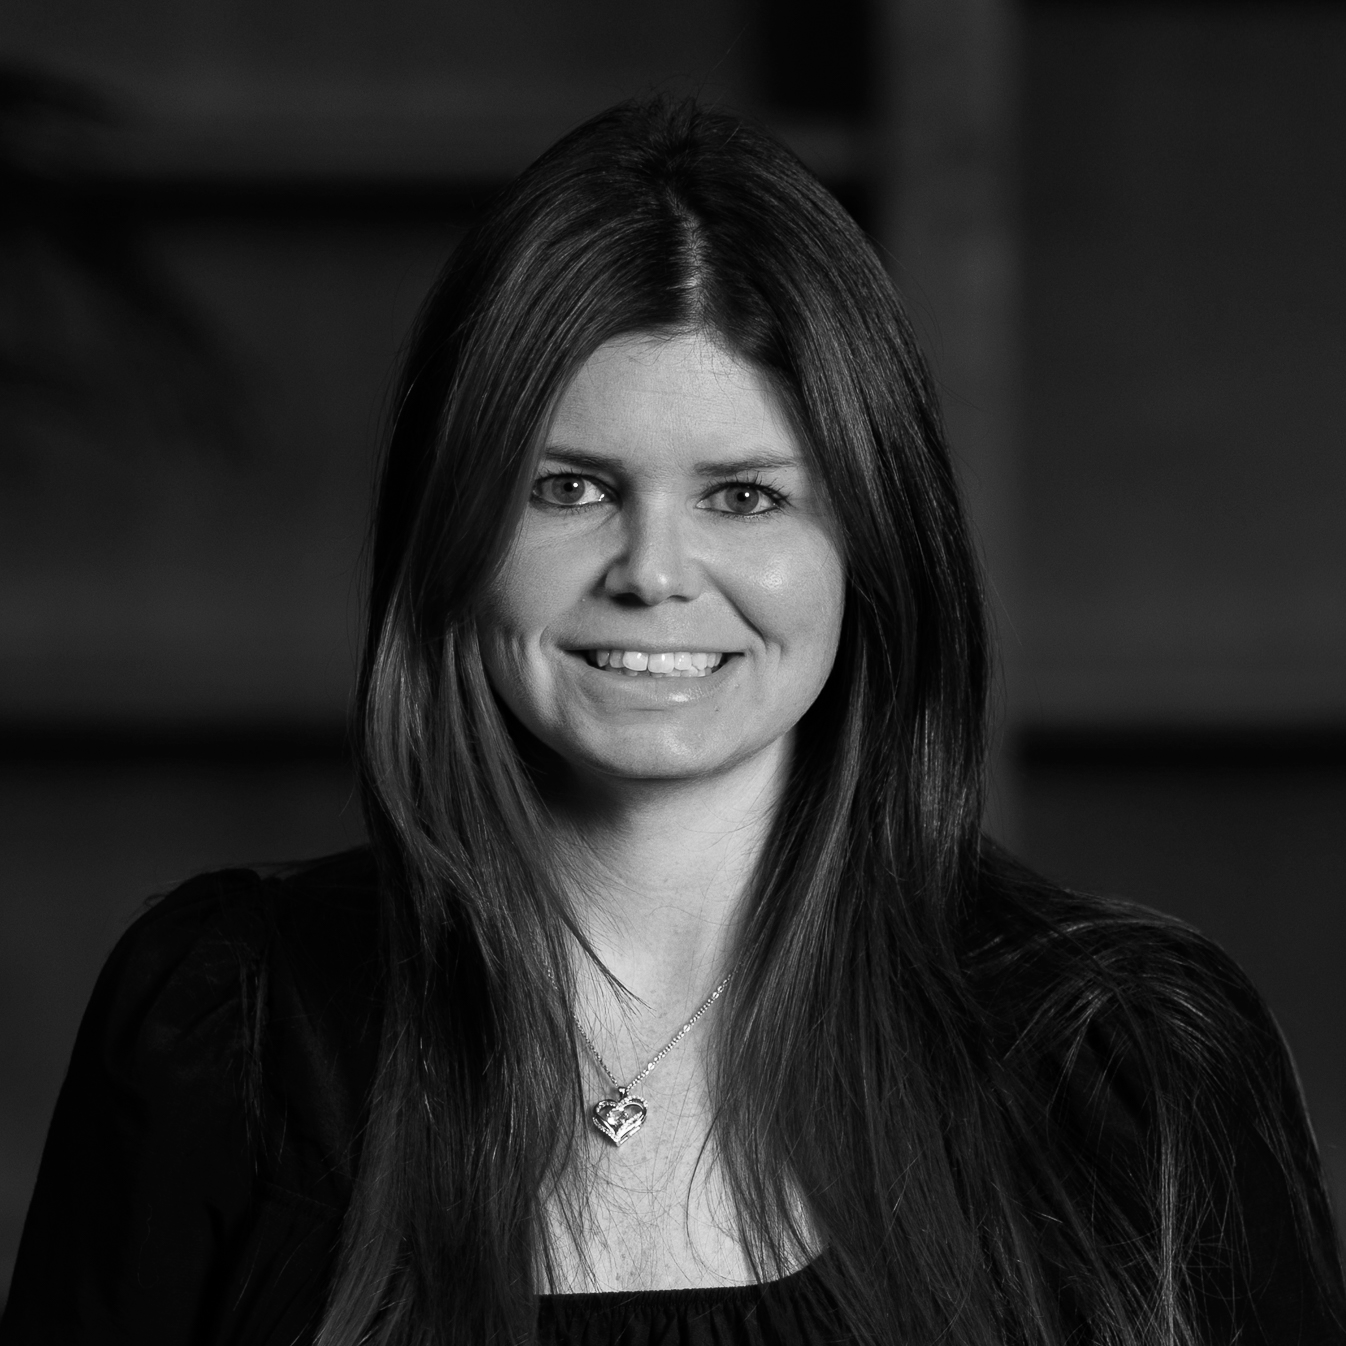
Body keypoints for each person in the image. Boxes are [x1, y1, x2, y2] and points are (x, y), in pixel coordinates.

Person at [2, 98, 1343, 1346]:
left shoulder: (1128, 1060)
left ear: (870, 544)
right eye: (571, 486)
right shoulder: (225, 1024)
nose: (652, 569)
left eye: (744, 496)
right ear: (455, 531)